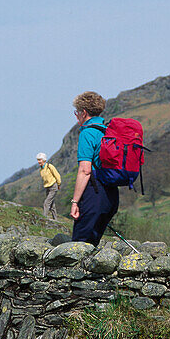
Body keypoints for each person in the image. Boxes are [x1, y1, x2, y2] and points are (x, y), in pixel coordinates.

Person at [69, 91, 118, 245]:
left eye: (77, 112)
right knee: (92, 245)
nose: (76, 116)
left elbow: (85, 170)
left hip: (94, 193)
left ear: (84, 112)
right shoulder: (107, 131)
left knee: (79, 246)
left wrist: (75, 202)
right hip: (111, 196)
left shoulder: (88, 133)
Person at [36, 152, 62, 220]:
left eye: (40, 160)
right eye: (38, 160)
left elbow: (57, 175)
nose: (38, 161)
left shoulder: (49, 166)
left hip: (53, 186)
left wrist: (59, 184)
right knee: (52, 205)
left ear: (44, 160)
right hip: (47, 187)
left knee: (46, 203)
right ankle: (55, 219)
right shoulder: (41, 169)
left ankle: (44, 218)